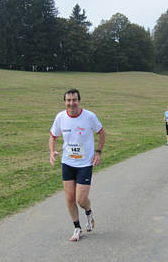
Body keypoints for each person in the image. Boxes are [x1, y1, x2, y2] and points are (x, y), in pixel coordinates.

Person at [49, 89, 106, 242]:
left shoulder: (89, 116)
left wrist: (98, 152)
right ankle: (77, 228)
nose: (71, 103)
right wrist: (52, 151)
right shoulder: (60, 117)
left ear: (79, 101)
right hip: (67, 162)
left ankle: (88, 211)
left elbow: (101, 132)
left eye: (74, 100)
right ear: (65, 102)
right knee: (69, 198)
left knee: (81, 199)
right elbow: (53, 136)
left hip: (85, 164)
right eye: (68, 100)